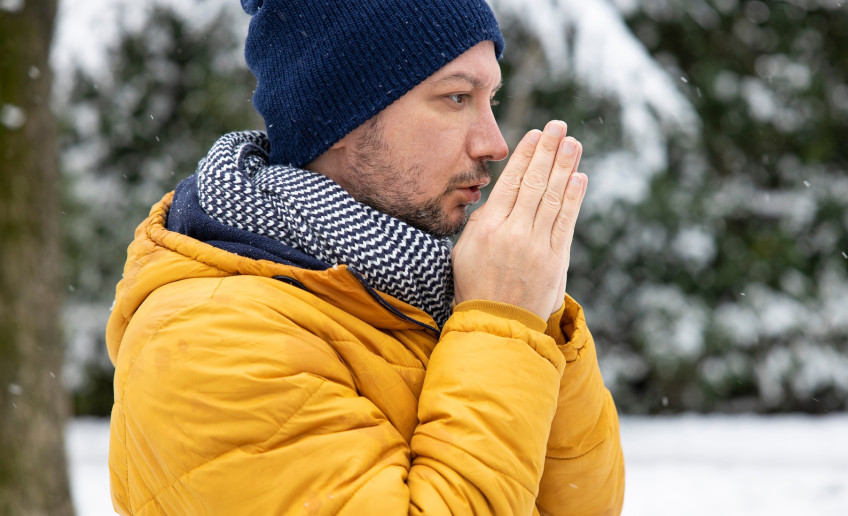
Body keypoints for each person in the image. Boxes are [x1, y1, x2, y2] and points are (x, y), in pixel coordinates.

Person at [105, 0, 625, 514]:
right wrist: (502, 326)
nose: (494, 142)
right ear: (342, 120)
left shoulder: (423, 288)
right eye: (457, 97)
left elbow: (584, 505)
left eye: (491, 98)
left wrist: (534, 312)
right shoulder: (207, 339)